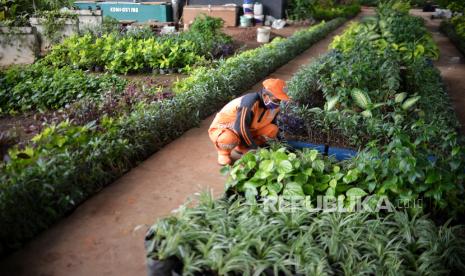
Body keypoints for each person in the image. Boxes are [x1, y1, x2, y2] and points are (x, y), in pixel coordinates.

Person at [208, 78, 290, 165]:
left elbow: (273, 123)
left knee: (272, 129)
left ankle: (242, 147)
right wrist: (254, 148)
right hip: (227, 128)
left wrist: (280, 143)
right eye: (276, 100)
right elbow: (240, 128)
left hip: (249, 128)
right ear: (265, 95)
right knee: (228, 139)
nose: (278, 103)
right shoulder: (249, 102)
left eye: (280, 100)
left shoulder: (273, 107)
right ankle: (223, 153)